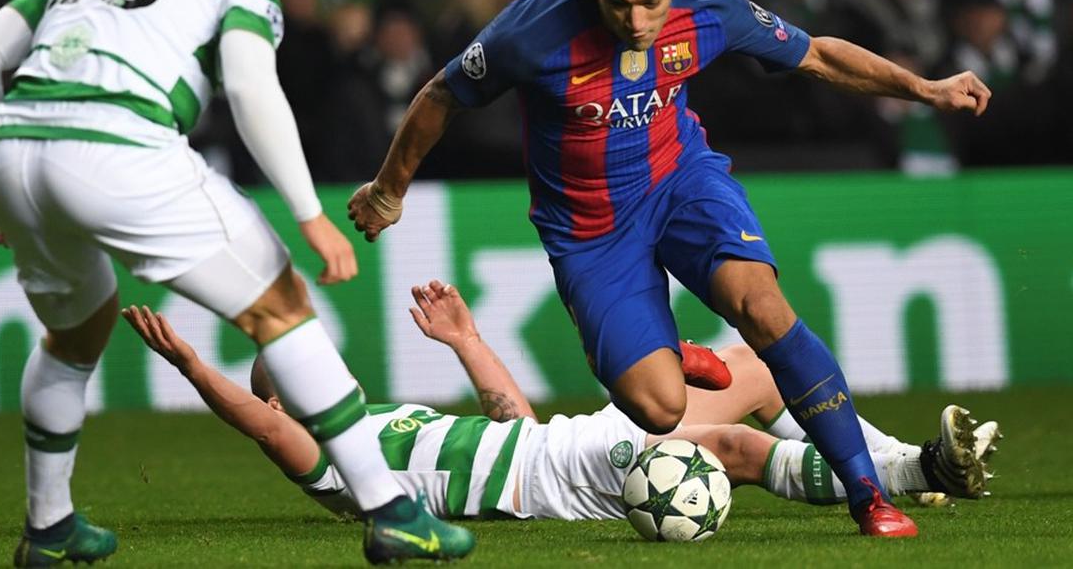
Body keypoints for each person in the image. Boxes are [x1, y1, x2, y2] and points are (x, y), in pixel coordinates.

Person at [348, 0, 992, 538]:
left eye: (650, 2)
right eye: (618, 2)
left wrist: (925, 88)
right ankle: (671, 352)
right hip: (591, 231)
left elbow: (818, 56)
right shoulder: (533, 29)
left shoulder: (707, 6)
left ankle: (868, 493)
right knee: (659, 408)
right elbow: (441, 95)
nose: (635, 21)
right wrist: (387, 189)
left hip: (681, 182)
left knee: (763, 309)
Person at [0, 0, 472, 565]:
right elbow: (252, 88)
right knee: (281, 309)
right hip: (120, 147)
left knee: (72, 336)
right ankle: (392, 510)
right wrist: (308, 212)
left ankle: (49, 527)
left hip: (15, 151)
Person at [121, 279, 1001, 521]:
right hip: (559, 485)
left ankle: (893, 464)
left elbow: (514, 426)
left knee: (754, 369)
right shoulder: (338, 469)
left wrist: (467, 341)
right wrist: (200, 368)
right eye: (297, 376)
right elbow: (265, 424)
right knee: (728, 450)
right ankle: (915, 468)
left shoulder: (390, 424)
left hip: (558, 446)